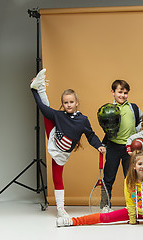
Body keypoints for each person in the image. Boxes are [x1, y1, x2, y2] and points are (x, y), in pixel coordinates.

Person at [30, 69, 106, 218]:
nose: (69, 105)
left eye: (71, 102)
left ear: (77, 103)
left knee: (58, 176)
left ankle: (38, 86)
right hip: (54, 136)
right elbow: (42, 107)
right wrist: (33, 91)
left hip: (62, 153)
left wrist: (99, 145)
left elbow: (91, 135)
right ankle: (60, 209)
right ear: (63, 104)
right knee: (47, 113)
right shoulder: (59, 114)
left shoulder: (83, 120)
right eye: (65, 102)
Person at [101, 79, 142, 212]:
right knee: (108, 177)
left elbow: (142, 121)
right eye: (120, 92)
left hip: (129, 149)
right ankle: (105, 205)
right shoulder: (109, 109)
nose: (122, 95)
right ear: (113, 92)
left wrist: (138, 133)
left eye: (125, 93)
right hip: (113, 146)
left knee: (130, 178)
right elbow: (106, 128)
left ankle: (132, 205)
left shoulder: (134, 108)